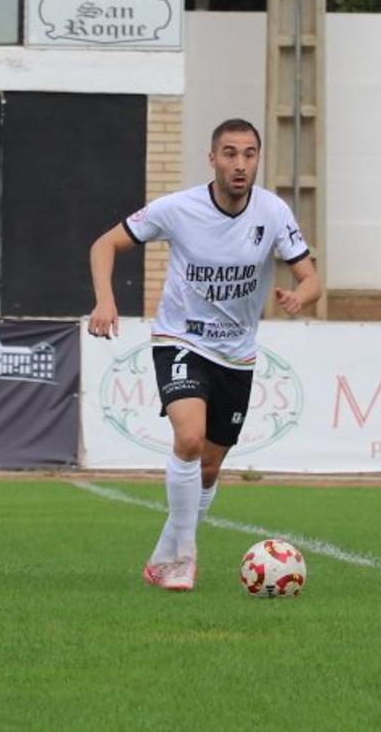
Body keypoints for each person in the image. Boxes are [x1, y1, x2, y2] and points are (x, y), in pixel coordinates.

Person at [87, 118, 321, 592]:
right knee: (189, 439)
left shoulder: (273, 212)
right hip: (181, 340)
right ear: (212, 158)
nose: (240, 164)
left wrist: (302, 297)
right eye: (230, 153)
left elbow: (310, 277)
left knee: (210, 467)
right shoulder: (178, 209)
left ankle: (162, 557)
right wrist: (105, 299)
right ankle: (185, 556)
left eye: (249, 154)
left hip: (236, 355)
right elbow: (104, 244)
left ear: (257, 159)